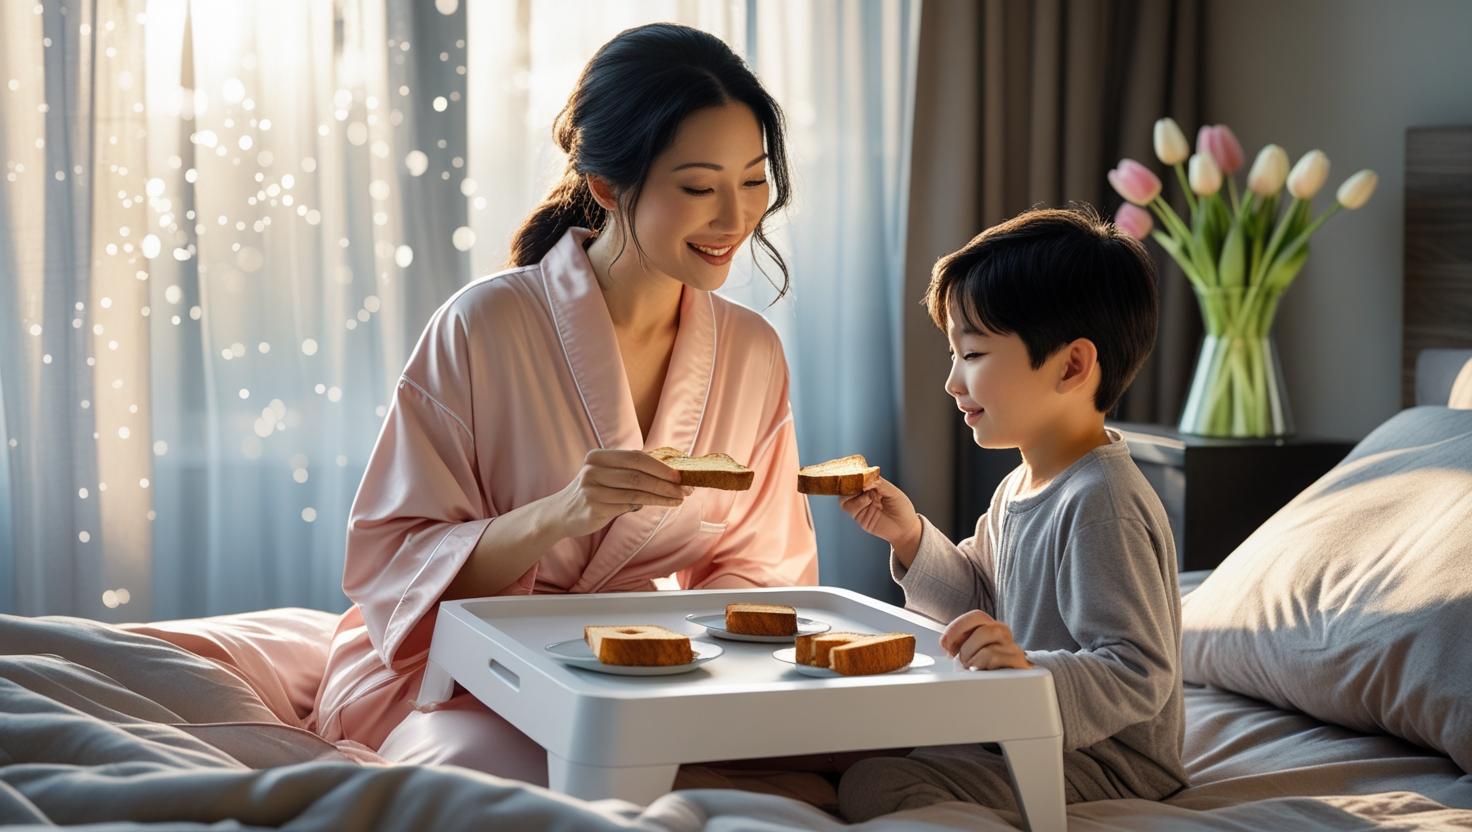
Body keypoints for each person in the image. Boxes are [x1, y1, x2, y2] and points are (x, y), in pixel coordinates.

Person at [310, 23, 818, 783]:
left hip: (644, 670)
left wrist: (681, 662)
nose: (735, 218)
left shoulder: (751, 351)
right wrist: (563, 512)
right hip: (461, 673)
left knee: (824, 760)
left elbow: (760, 566)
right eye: (697, 187)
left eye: (752, 180)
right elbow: (396, 560)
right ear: (609, 187)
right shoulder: (482, 326)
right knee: (507, 779)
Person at [836, 207, 1187, 821]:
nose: (951, 381)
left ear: (1072, 365)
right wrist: (910, 534)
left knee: (878, 783)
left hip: (1107, 763)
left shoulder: (1102, 502)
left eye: (971, 354)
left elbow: (1138, 669)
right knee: (841, 742)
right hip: (1020, 729)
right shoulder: (1023, 483)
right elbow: (979, 595)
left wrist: (1027, 667)